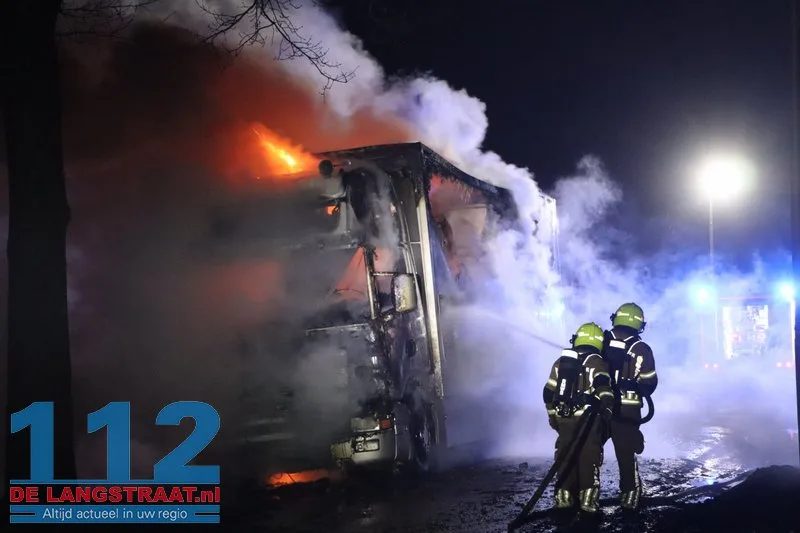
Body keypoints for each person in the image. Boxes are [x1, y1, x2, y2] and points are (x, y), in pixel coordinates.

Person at [543, 322, 615, 516]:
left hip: (564, 419)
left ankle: (563, 499)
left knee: (565, 457)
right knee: (588, 458)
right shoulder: (597, 362)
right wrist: (607, 411)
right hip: (588, 422)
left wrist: (553, 416)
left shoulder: (560, 362)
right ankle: (588, 502)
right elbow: (604, 389)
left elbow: (548, 393)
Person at [603, 302, 659, 512]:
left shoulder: (601, 341)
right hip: (628, 411)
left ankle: (582, 498)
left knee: (588, 451)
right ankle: (630, 497)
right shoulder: (641, 349)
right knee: (626, 455)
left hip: (599, 408)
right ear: (638, 324)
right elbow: (649, 382)